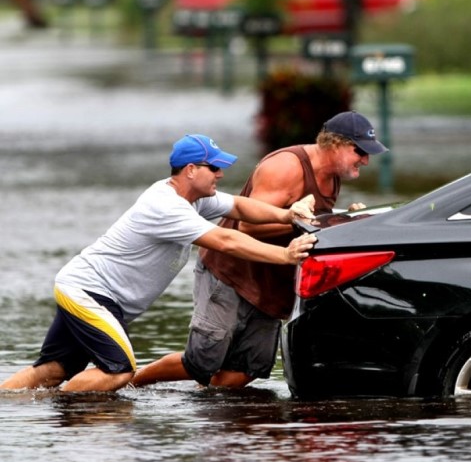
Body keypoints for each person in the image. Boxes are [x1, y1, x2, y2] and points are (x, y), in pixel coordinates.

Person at [0, 134, 317, 393]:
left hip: (88, 291)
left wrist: (287, 214)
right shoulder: (166, 206)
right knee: (119, 371)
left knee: (53, 371)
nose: (221, 174)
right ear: (191, 170)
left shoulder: (193, 198)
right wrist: (284, 255)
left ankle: (11, 404)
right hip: (88, 292)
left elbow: (240, 207)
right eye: (214, 168)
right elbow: (226, 240)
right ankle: (62, 415)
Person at [132, 111, 388, 389]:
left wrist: (344, 220)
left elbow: (312, 222)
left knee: (248, 369)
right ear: (335, 144)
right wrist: (317, 223)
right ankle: (131, 383)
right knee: (201, 361)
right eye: (359, 151)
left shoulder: (332, 174)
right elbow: (248, 228)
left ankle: (205, 415)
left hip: (270, 280)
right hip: (230, 273)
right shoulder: (286, 167)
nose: (365, 159)